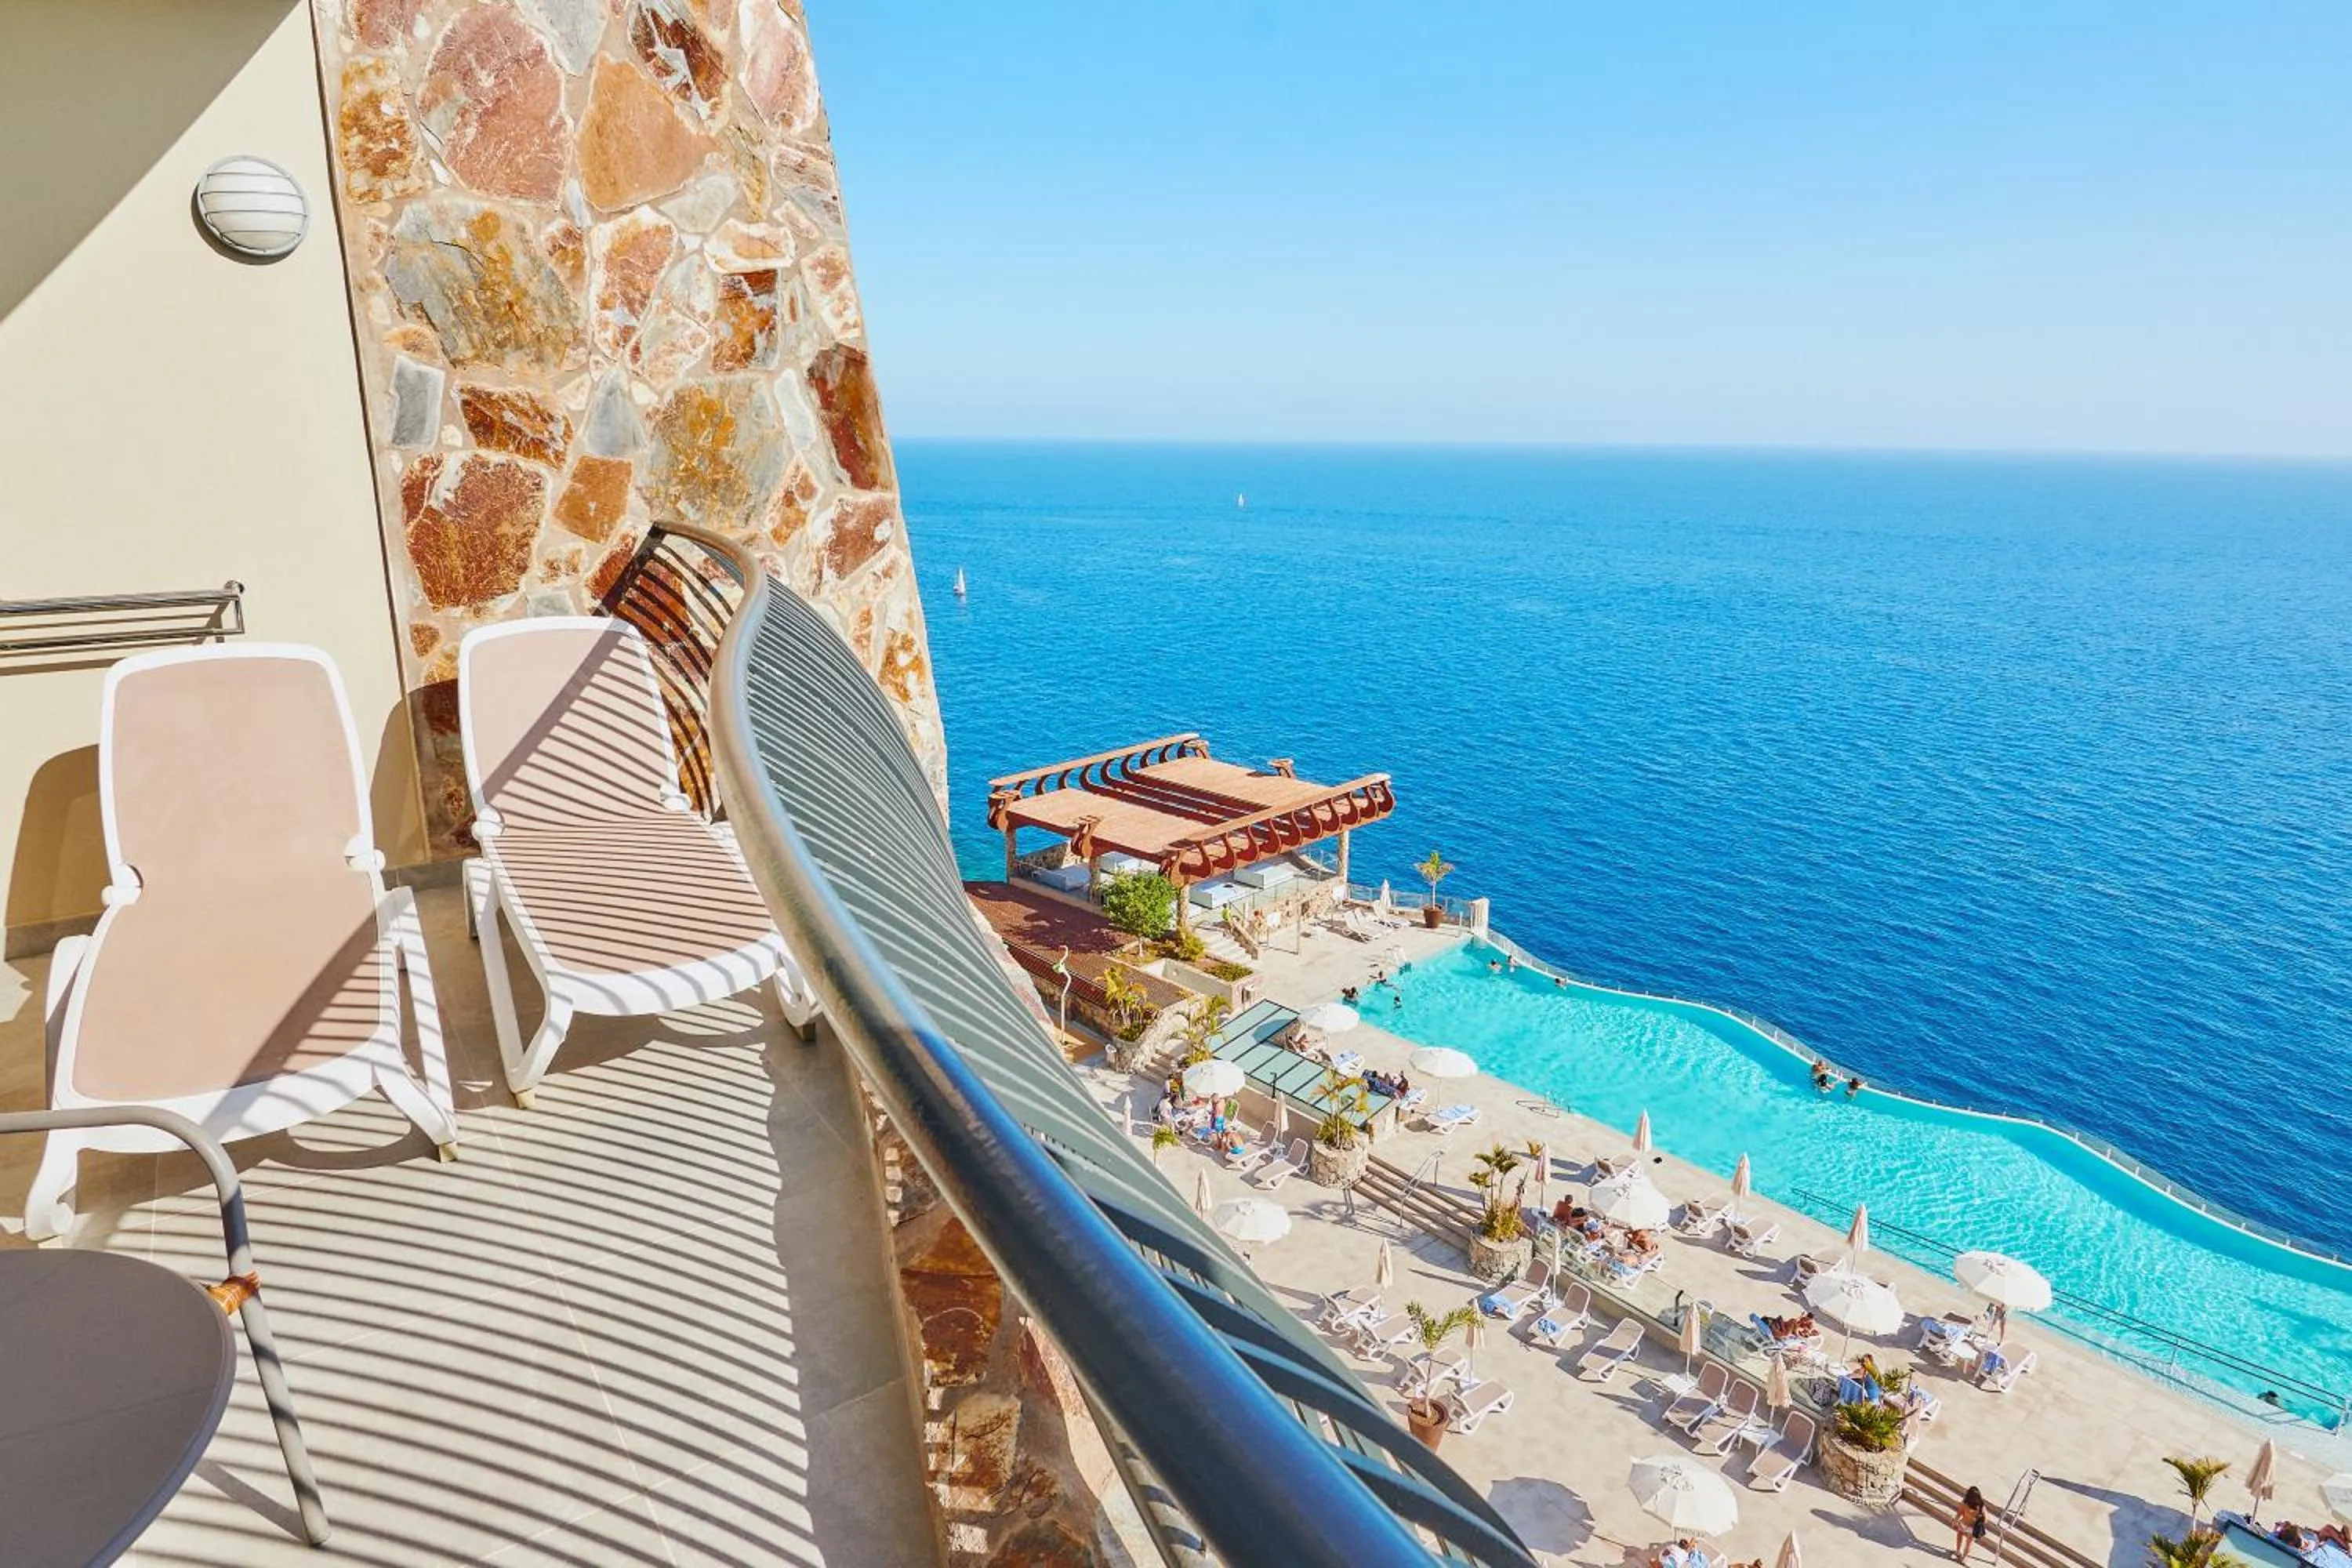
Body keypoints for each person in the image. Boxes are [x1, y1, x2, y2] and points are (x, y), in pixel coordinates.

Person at [1955, 1485, 1988, 1563]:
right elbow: (1986, 1520)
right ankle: (1964, 1558)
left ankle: (1958, 1552)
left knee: (1960, 1536)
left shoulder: (1964, 1503)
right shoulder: (1981, 1506)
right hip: (1973, 1527)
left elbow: (1959, 1514)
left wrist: (1955, 1521)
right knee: (1969, 1543)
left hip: (1963, 1523)